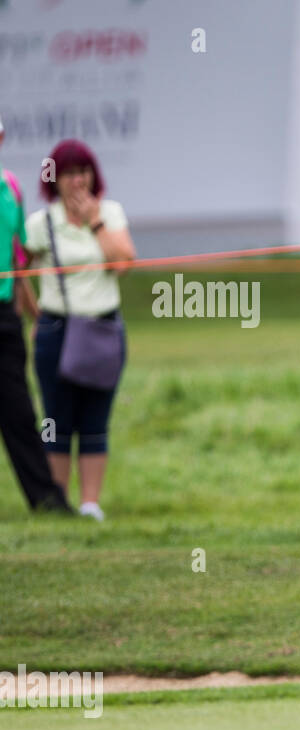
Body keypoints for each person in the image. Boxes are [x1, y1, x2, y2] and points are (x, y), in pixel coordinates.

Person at [24, 139, 136, 520]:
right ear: (53, 179)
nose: (77, 180)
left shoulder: (112, 213)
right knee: (56, 418)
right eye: (69, 173)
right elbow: (18, 270)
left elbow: (122, 263)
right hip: (56, 330)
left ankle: (90, 503)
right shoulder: (40, 225)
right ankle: (58, 501)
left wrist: (96, 222)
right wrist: (33, 315)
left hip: (102, 329)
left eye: (83, 171)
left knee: (94, 418)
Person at [0, 115, 72, 513]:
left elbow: (18, 256)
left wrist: (33, 312)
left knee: (19, 411)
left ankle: (46, 501)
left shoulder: (9, 187)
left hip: (5, 316)